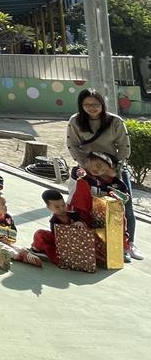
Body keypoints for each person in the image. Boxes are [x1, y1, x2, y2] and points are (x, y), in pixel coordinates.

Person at [66, 88, 141, 259]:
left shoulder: (115, 121)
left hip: (112, 170)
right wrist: (86, 167)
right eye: (87, 104)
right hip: (88, 170)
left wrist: (114, 169)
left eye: (95, 104)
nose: (91, 108)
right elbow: (73, 145)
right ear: (81, 105)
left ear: (102, 104)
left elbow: (124, 147)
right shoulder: (75, 121)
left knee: (125, 204)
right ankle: (95, 243)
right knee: (83, 205)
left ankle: (128, 243)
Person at [30, 188, 86, 267]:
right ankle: (44, 251)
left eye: (63, 205)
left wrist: (80, 223)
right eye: (57, 207)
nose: (62, 209)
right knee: (40, 234)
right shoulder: (54, 220)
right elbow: (56, 236)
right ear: (49, 207)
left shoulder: (73, 214)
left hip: (77, 242)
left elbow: (83, 223)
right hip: (61, 243)